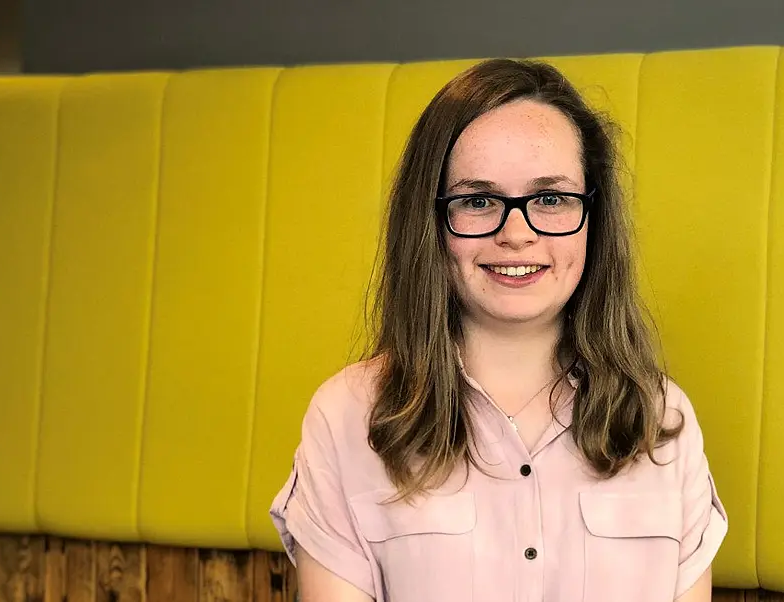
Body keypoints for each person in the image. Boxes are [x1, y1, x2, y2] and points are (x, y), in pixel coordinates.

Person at [270, 58, 728, 602]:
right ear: (432, 223)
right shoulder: (347, 416)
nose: (516, 234)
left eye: (552, 199)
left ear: (594, 218)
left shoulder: (663, 419)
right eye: (479, 200)